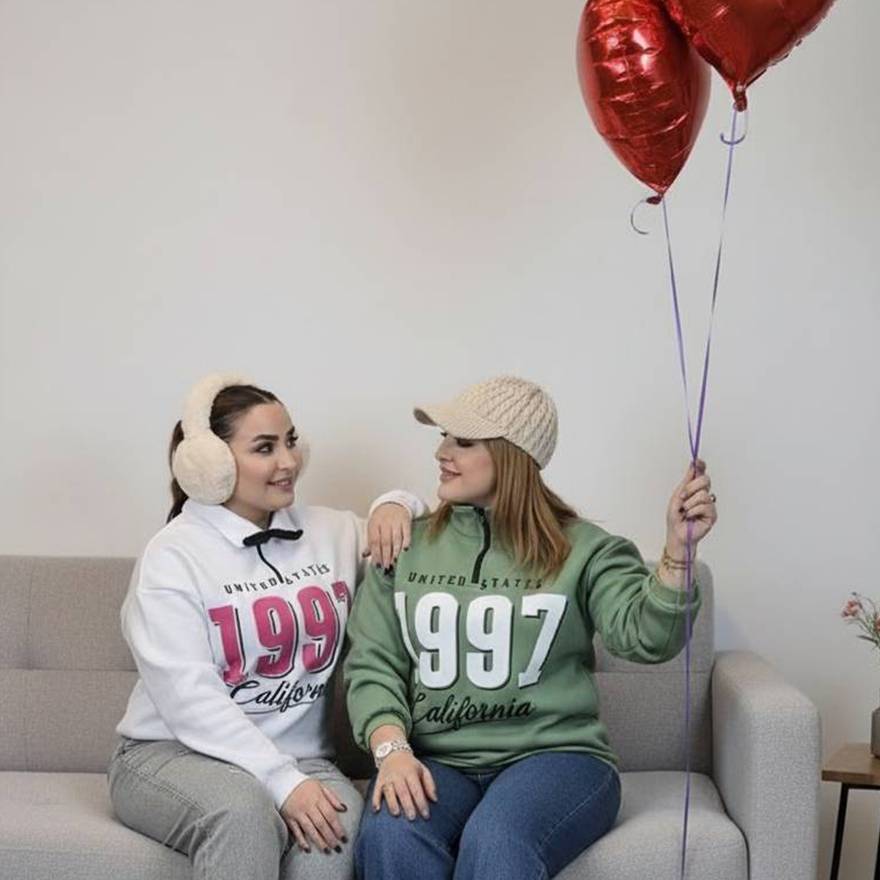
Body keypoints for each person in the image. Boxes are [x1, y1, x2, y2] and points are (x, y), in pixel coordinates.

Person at [344, 375, 718, 880]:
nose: (442, 453)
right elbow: (373, 664)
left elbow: (647, 638)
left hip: (558, 759)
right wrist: (391, 750)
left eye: (463, 441)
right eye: (443, 437)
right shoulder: (405, 544)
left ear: (512, 455)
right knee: (391, 832)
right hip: (439, 760)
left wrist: (678, 553)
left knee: (497, 840)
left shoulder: (586, 549)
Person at [108, 373, 426, 880]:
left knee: (338, 829)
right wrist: (282, 783)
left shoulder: (331, 532)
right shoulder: (172, 557)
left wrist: (396, 503)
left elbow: (422, 534)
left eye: (291, 441)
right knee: (243, 814)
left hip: (303, 759)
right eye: (265, 447)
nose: (289, 461)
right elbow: (190, 698)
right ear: (210, 464)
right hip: (172, 755)